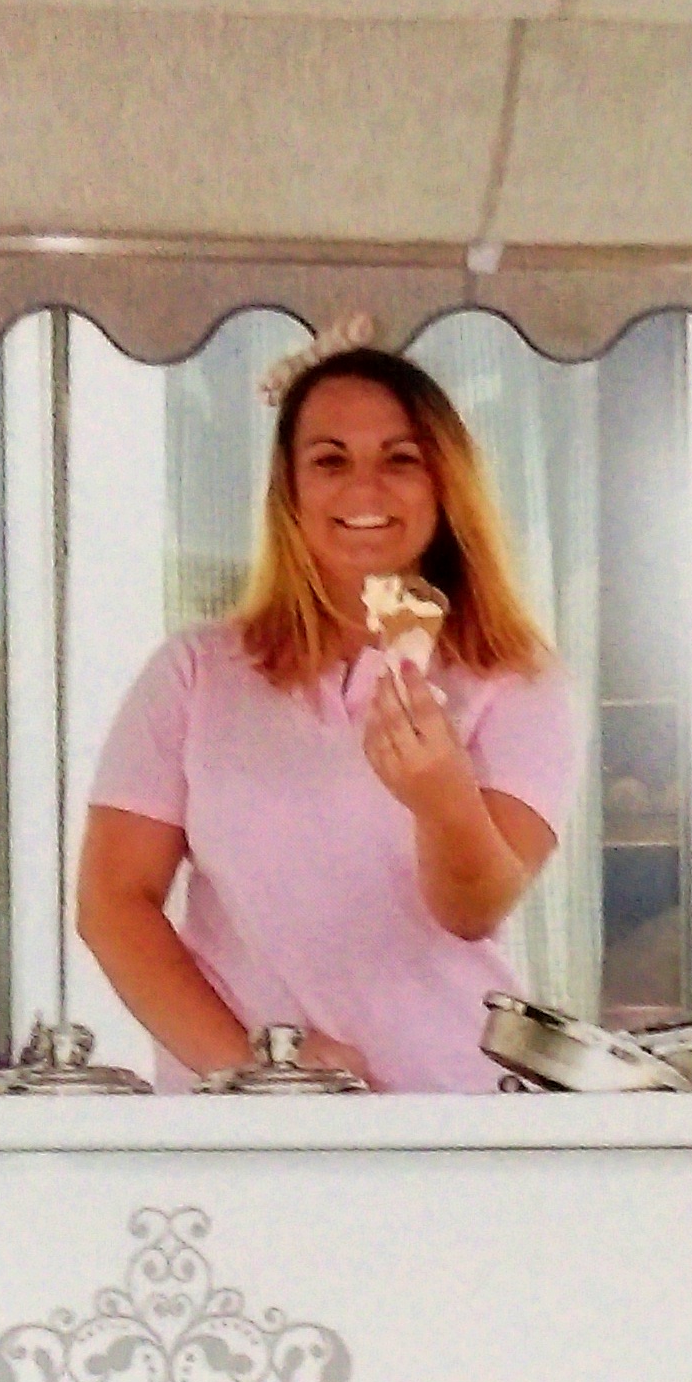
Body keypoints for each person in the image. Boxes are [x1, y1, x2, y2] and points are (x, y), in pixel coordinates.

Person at [78, 336, 578, 1092]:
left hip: (447, 1114)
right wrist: (255, 1073)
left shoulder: (515, 680)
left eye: (401, 459)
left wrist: (441, 799)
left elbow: (474, 910)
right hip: (244, 1125)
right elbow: (113, 903)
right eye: (330, 460)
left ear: (445, 482)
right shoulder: (195, 674)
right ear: (289, 489)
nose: (364, 488)